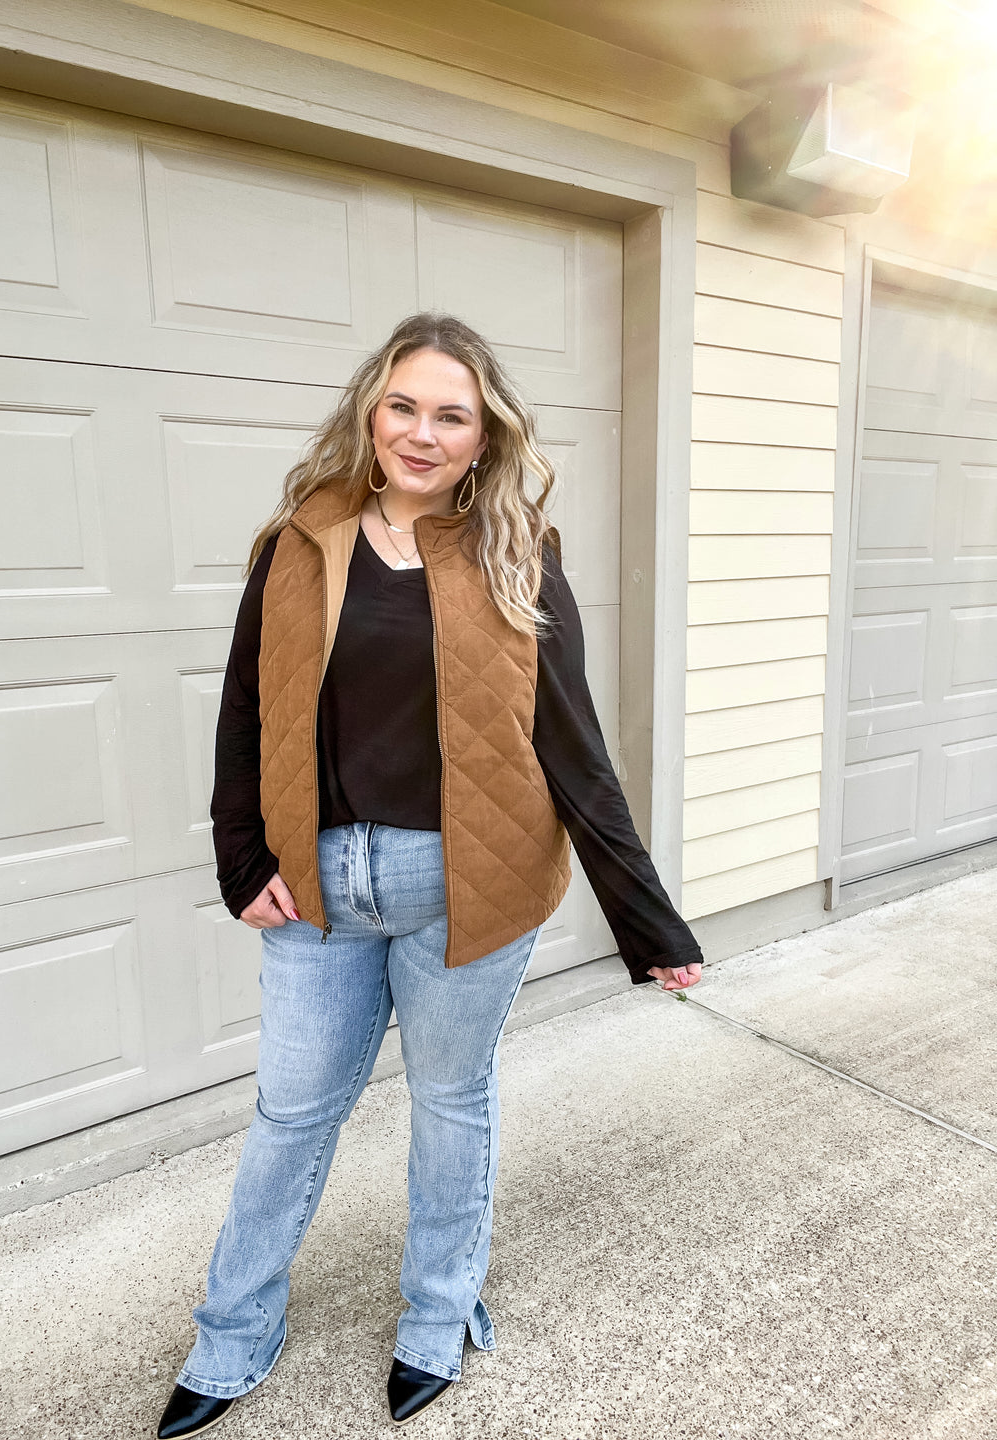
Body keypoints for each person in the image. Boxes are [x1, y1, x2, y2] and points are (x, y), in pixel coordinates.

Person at [156, 312, 704, 1438]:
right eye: (404, 405)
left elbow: (573, 744)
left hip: (469, 884)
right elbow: (246, 712)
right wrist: (241, 857)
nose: (422, 431)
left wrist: (649, 923)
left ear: (482, 434)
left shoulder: (515, 552)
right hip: (313, 888)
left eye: (450, 414)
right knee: (290, 1116)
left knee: (452, 1104)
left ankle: (437, 1318)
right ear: (371, 408)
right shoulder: (300, 542)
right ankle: (232, 1331)